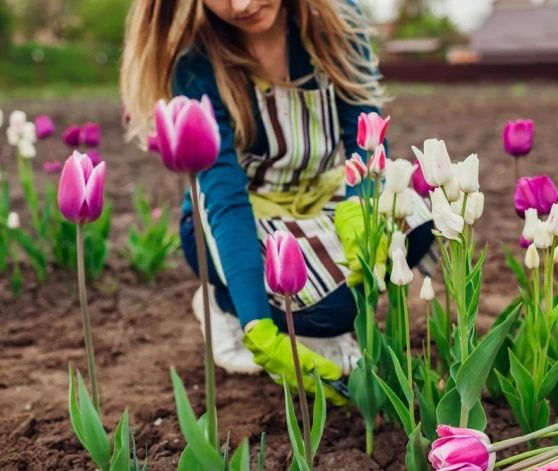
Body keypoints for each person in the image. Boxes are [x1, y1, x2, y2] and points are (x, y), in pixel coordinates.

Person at [120, 0, 435, 404]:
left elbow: (365, 136)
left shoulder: (339, 25)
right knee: (335, 311)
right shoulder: (198, 67)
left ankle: (303, 319)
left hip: (320, 198)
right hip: (241, 219)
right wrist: (258, 326)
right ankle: (228, 306)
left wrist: (361, 208)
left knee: (415, 224)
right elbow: (226, 199)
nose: (242, 5)